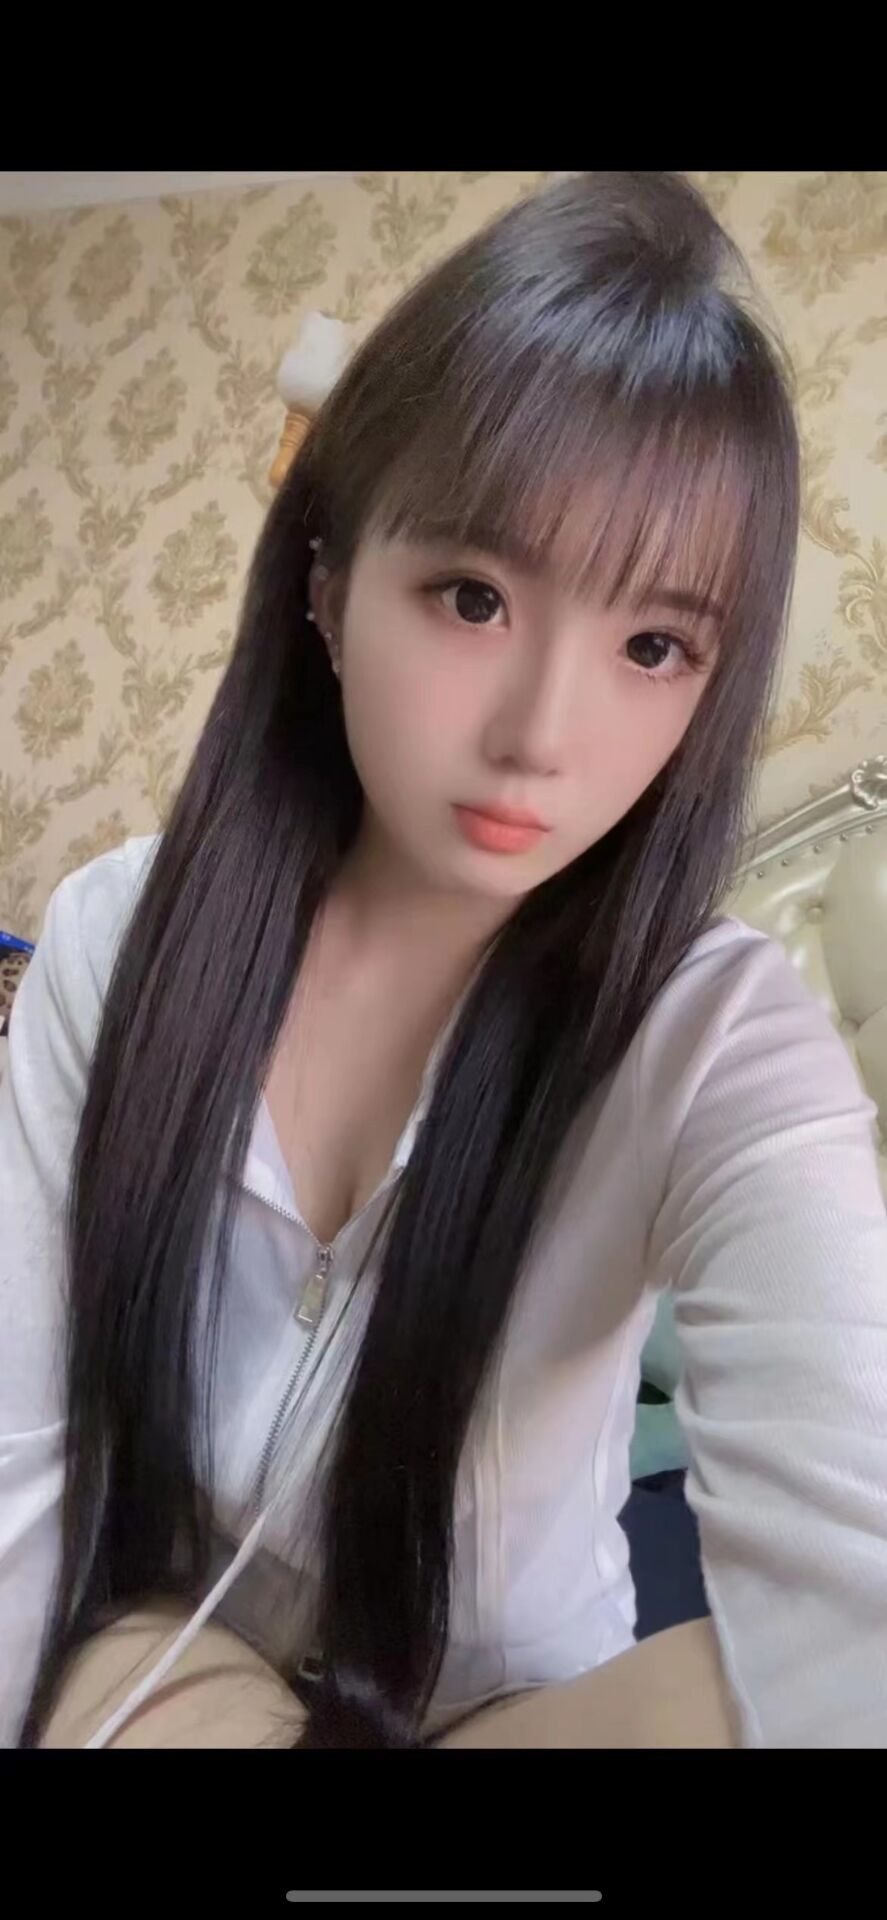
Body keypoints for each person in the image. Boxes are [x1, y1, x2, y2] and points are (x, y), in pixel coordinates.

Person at [2, 170, 886, 1752]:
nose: (544, 734)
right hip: (151, 1656)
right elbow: (17, 1475)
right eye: (473, 596)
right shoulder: (113, 937)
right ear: (328, 583)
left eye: (654, 646)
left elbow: (859, 1595)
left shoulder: (711, 1035)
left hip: (510, 1715)